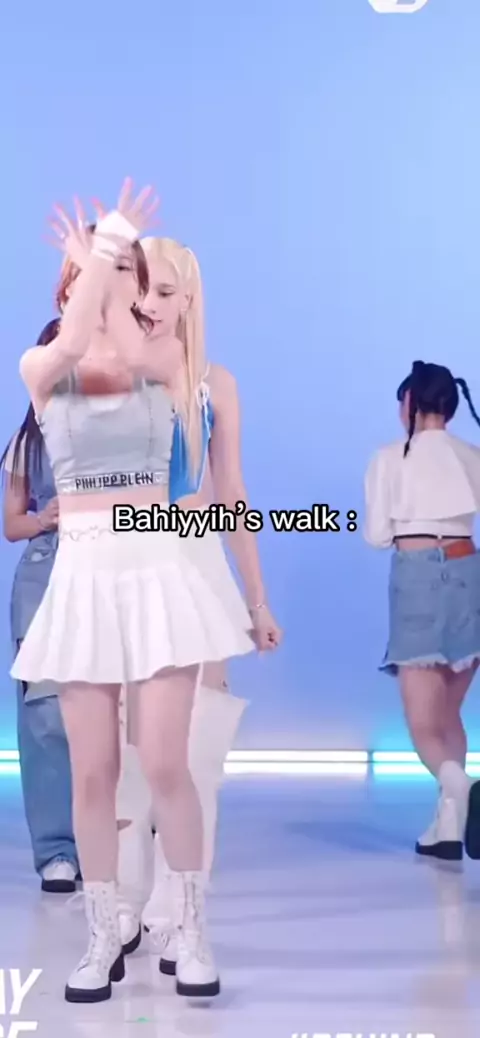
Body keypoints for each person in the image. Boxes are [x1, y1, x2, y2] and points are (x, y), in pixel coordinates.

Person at [11, 179, 274, 1005]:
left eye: (119, 275)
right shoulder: (43, 369)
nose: (101, 288)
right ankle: (102, 934)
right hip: (83, 577)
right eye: (85, 276)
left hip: (160, 571)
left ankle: (189, 929)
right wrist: (102, 249)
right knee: (93, 773)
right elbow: (75, 338)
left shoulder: (161, 366)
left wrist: (112, 251)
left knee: (165, 763)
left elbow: (138, 349)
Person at [113, 236, 282, 972]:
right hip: (121, 572)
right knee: (127, 759)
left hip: (196, 568)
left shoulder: (215, 384)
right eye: (141, 287)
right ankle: (123, 906)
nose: (149, 304)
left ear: (189, 300)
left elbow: (231, 492)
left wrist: (257, 599)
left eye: (164, 291)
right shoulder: (109, 373)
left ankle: (182, 916)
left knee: (198, 755)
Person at [364, 360, 480, 862]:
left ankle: (467, 790)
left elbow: (376, 535)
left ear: (409, 403)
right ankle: (447, 825)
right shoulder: (471, 455)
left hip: (417, 577)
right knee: (449, 714)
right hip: (470, 571)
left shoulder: (390, 458)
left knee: (422, 723)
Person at [1, 318, 79, 894]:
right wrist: (45, 518)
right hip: (43, 576)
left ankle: (116, 842)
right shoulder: (27, 441)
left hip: (106, 572)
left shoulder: (120, 425)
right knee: (46, 716)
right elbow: (12, 524)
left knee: (110, 712)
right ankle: (57, 851)